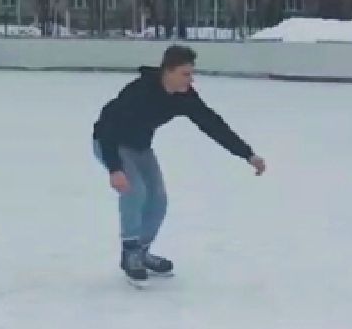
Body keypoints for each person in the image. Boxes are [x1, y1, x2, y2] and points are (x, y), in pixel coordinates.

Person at [92, 44, 266, 284]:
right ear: (168, 71)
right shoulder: (139, 91)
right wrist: (115, 168)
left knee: (158, 199)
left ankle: (142, 252)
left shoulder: (185, 97)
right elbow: (109, 126)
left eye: (191, 73)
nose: (190, 79)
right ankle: (130, 252)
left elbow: (212, 124)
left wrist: (247, 154)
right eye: (185, 74)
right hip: (110, 142)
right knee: (135, 191)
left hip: (140, 147)